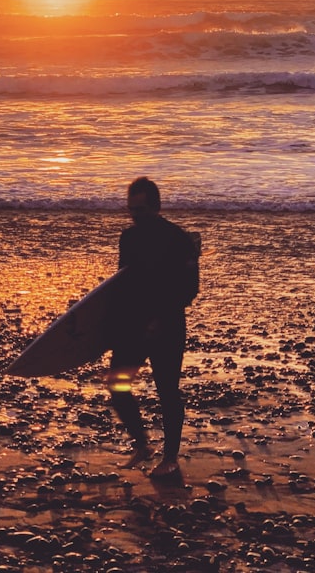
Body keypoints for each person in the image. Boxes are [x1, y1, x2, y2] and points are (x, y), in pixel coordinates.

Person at [106, 176, 200, 479]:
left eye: (142, 209)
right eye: (132, 209)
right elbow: (121, 284)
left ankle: (170, 457)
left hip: (168, 326)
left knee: (167, 393)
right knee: (117, 386)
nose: (136, 215)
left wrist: (159, 320)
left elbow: (190, 289)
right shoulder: (128, 238)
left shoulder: (178, 239)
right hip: (133, 325)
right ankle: (142, 445)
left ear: (156, 207)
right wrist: (106, 325)